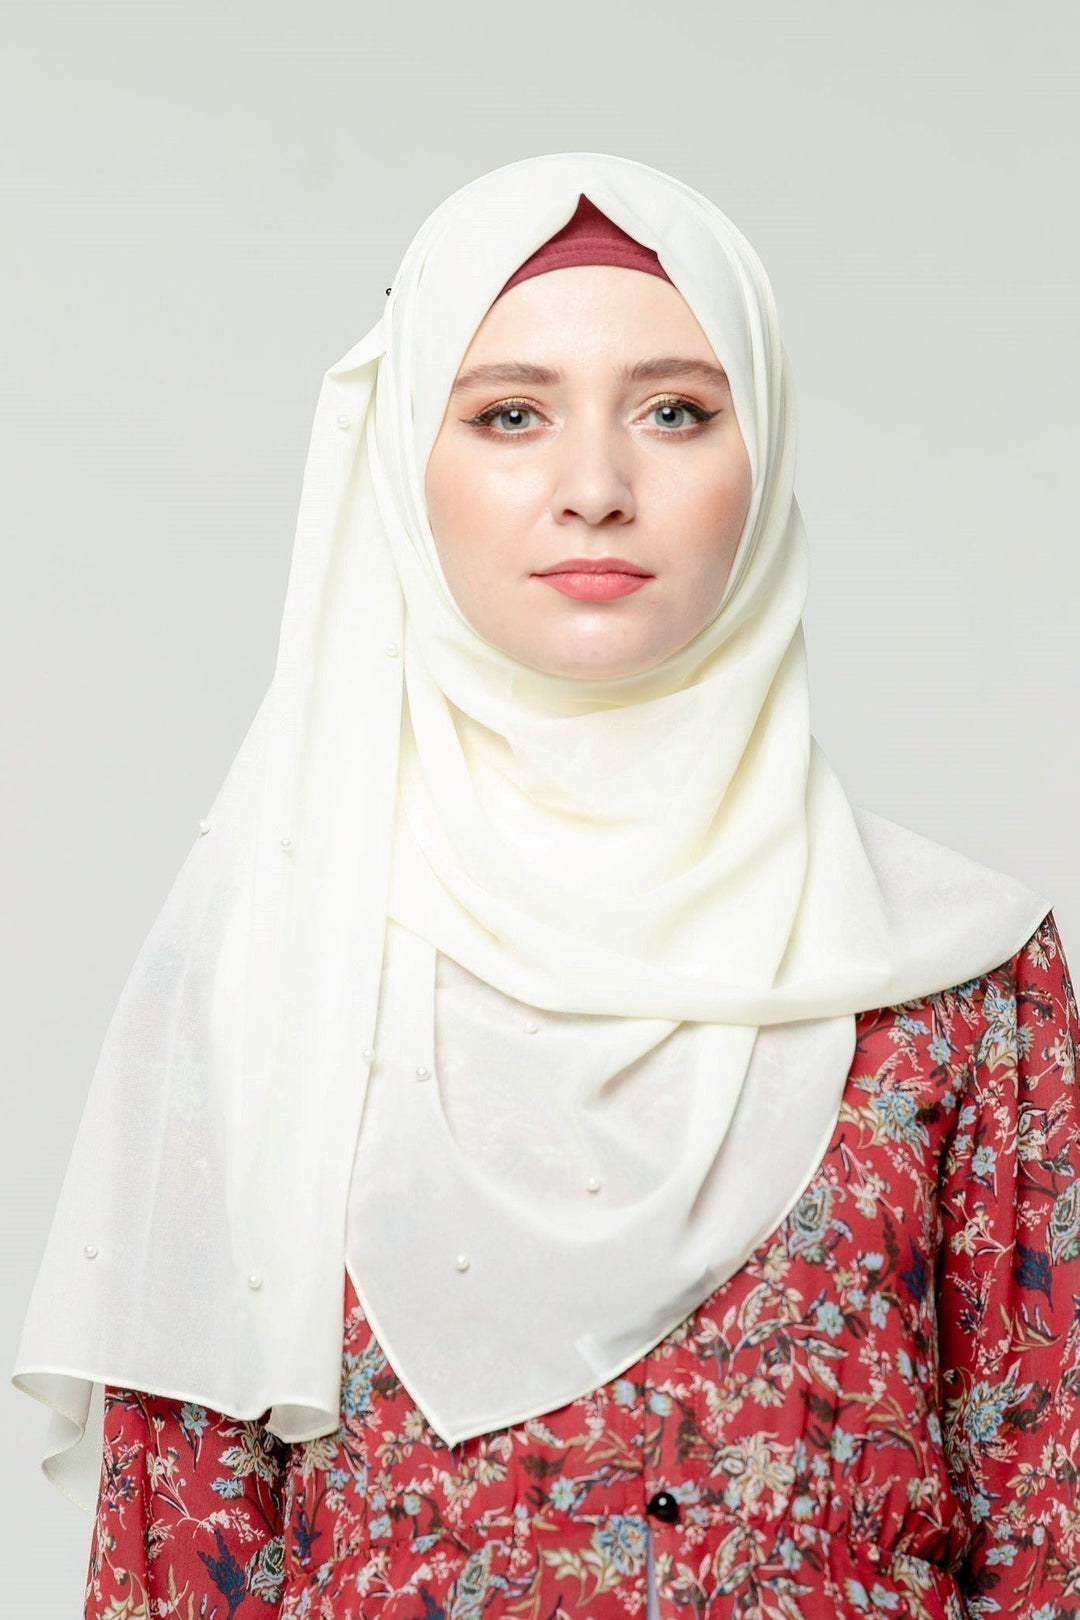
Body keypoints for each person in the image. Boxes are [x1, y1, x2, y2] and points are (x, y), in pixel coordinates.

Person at [12, 154, 1079, 1619]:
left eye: (676, 412)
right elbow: (176, 1561)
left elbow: (1049, 1534)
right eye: (510, 414)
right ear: (405, 466)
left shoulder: (961, 975)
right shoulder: (277, 969)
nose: (595, 489)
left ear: (762, 458)